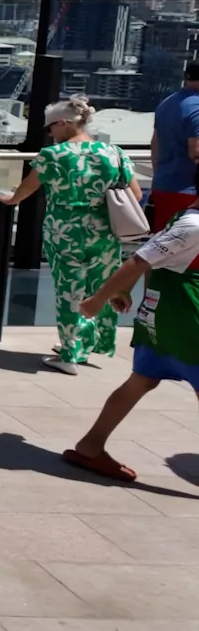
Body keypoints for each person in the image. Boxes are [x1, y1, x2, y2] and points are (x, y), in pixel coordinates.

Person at [59, 171, 199, 482]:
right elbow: (138, 260)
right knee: (141, 381)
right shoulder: (193, 226)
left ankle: (90, 446)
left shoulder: (185, 217)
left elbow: (151, 260)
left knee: (141, 380)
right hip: (186, 321)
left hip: (164, 319)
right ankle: (90, 447)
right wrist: (98, 300)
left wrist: (127, 292)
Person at [0, 94, 141, 375]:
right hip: (105, 231)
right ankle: (89, 343)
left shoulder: (54, 155)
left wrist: (11, 201)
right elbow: (134, 193)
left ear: (63, 123)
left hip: (65, 231)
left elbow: (28, 188)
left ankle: (70, 353)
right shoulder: (114, 152)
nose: (50, 134)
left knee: (69, 290)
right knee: (99, 288)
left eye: (51, 128)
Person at [149, 61, 199, 230]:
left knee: (163, 249)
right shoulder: (197, 108)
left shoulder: (167, 103)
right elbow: (197, 152)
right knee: (188, 252)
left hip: (163, 186)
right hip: (189, 193)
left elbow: (155, 145)